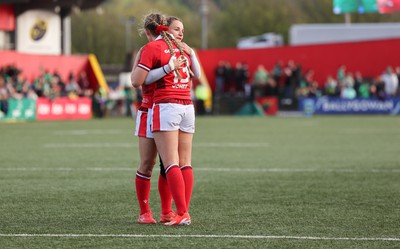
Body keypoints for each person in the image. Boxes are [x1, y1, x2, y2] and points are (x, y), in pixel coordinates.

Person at [132, 14, 200, 226]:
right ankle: (147, 212)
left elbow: (136, 80)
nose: (180, 33)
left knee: (162, 164)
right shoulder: (149, 50)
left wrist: (167, 68)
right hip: (152, 109)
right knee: (154, 163)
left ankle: (168, 212)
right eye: (177, 29)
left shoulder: (174, 48)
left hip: (163, 107)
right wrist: (167, 68)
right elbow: (138, 80)